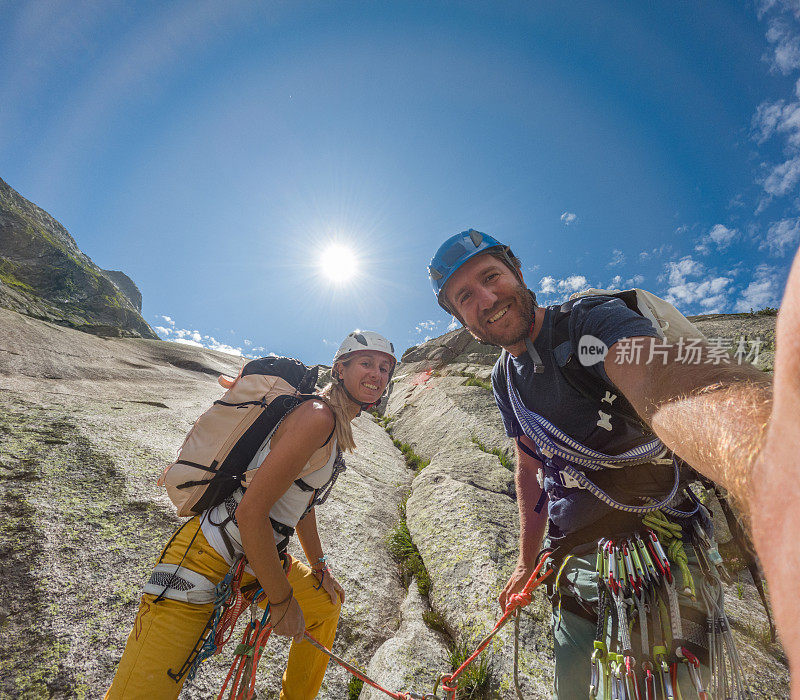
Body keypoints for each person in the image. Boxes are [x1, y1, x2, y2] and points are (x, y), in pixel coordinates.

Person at [428, 229, 796, 698]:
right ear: (460, 318)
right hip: (569, 564)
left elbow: (661, 378)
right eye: (465, 296)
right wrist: (525, 562)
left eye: (491, 276)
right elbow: (528, 469)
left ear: (517, 272)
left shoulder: (589, 323)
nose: (486, 297)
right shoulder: (506, 380)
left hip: (655, 541)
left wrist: (772, 456)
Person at [106, 330, 397, 700]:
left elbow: (302, 506)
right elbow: (251, 512)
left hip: (253, 560)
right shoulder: (317, 416)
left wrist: (319, 565)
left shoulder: (334, 425)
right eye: (366, 364)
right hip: (203, 558)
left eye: (385, 368)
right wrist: (281, 600)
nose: (376, 374)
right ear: (340, 369)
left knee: (325, 607)